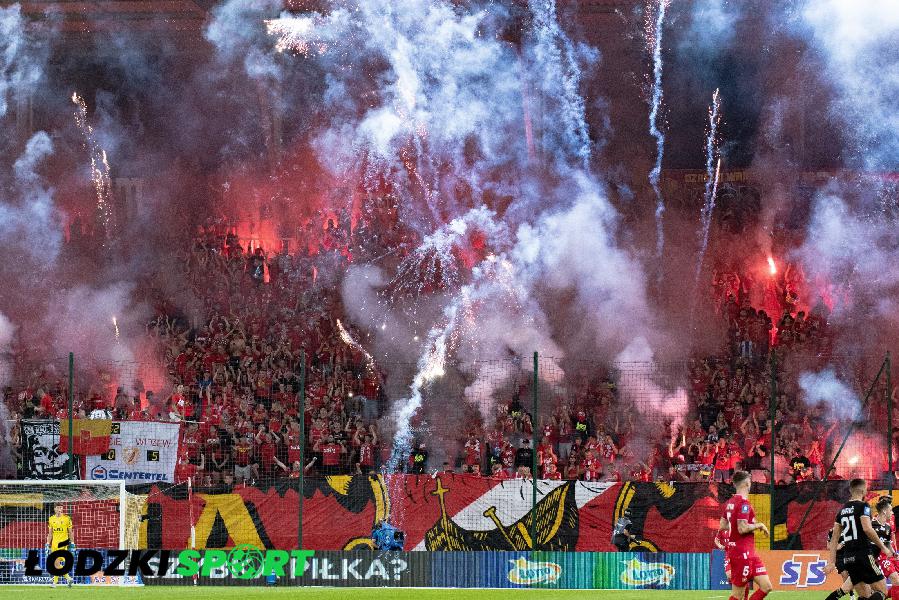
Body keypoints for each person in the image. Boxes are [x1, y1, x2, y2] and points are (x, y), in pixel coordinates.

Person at [825, 479, 892, 600]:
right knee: (883, 591)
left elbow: (834, 539)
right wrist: (883, 547)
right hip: (863, 554)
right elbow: (867, 529)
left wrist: (831, 562)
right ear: (863, 490)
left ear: (851, 491)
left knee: (864, 596)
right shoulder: (863, 506)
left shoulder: (842, 511)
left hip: (848, 558)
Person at [719, 470, 771, 600]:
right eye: (750, 482)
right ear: (746, 483)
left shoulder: (730, 503)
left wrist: (735, 528)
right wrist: (759, 525)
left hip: (749, 553)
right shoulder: (744, 504)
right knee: (738, 595)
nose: (750, 484)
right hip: (741, 553)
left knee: (766, 586)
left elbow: (723, 525)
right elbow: (742, 528)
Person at [872, 496, 899, 600]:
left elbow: (888, 542)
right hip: (878, 558)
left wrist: (894, 552)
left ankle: (881, 596)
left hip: (889, 555)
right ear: (884, 510)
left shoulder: (888, 526)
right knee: (895, 579)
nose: (892, 513)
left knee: (895, 582)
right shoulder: (872, 524)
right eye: (890, 510)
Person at [47, 504, 75, 587]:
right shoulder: (51, 519)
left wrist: (72, 543)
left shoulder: (67, 518)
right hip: (54, 544)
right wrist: (47, 543)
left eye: (61, 507)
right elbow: (50, 533)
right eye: (58, 507)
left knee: (57, 562)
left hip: (63, 543)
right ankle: (68, 578)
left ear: (62, 509)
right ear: (55, 509)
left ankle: (55, 583)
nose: (59, 509)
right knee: (56, 563)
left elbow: (70, 532)